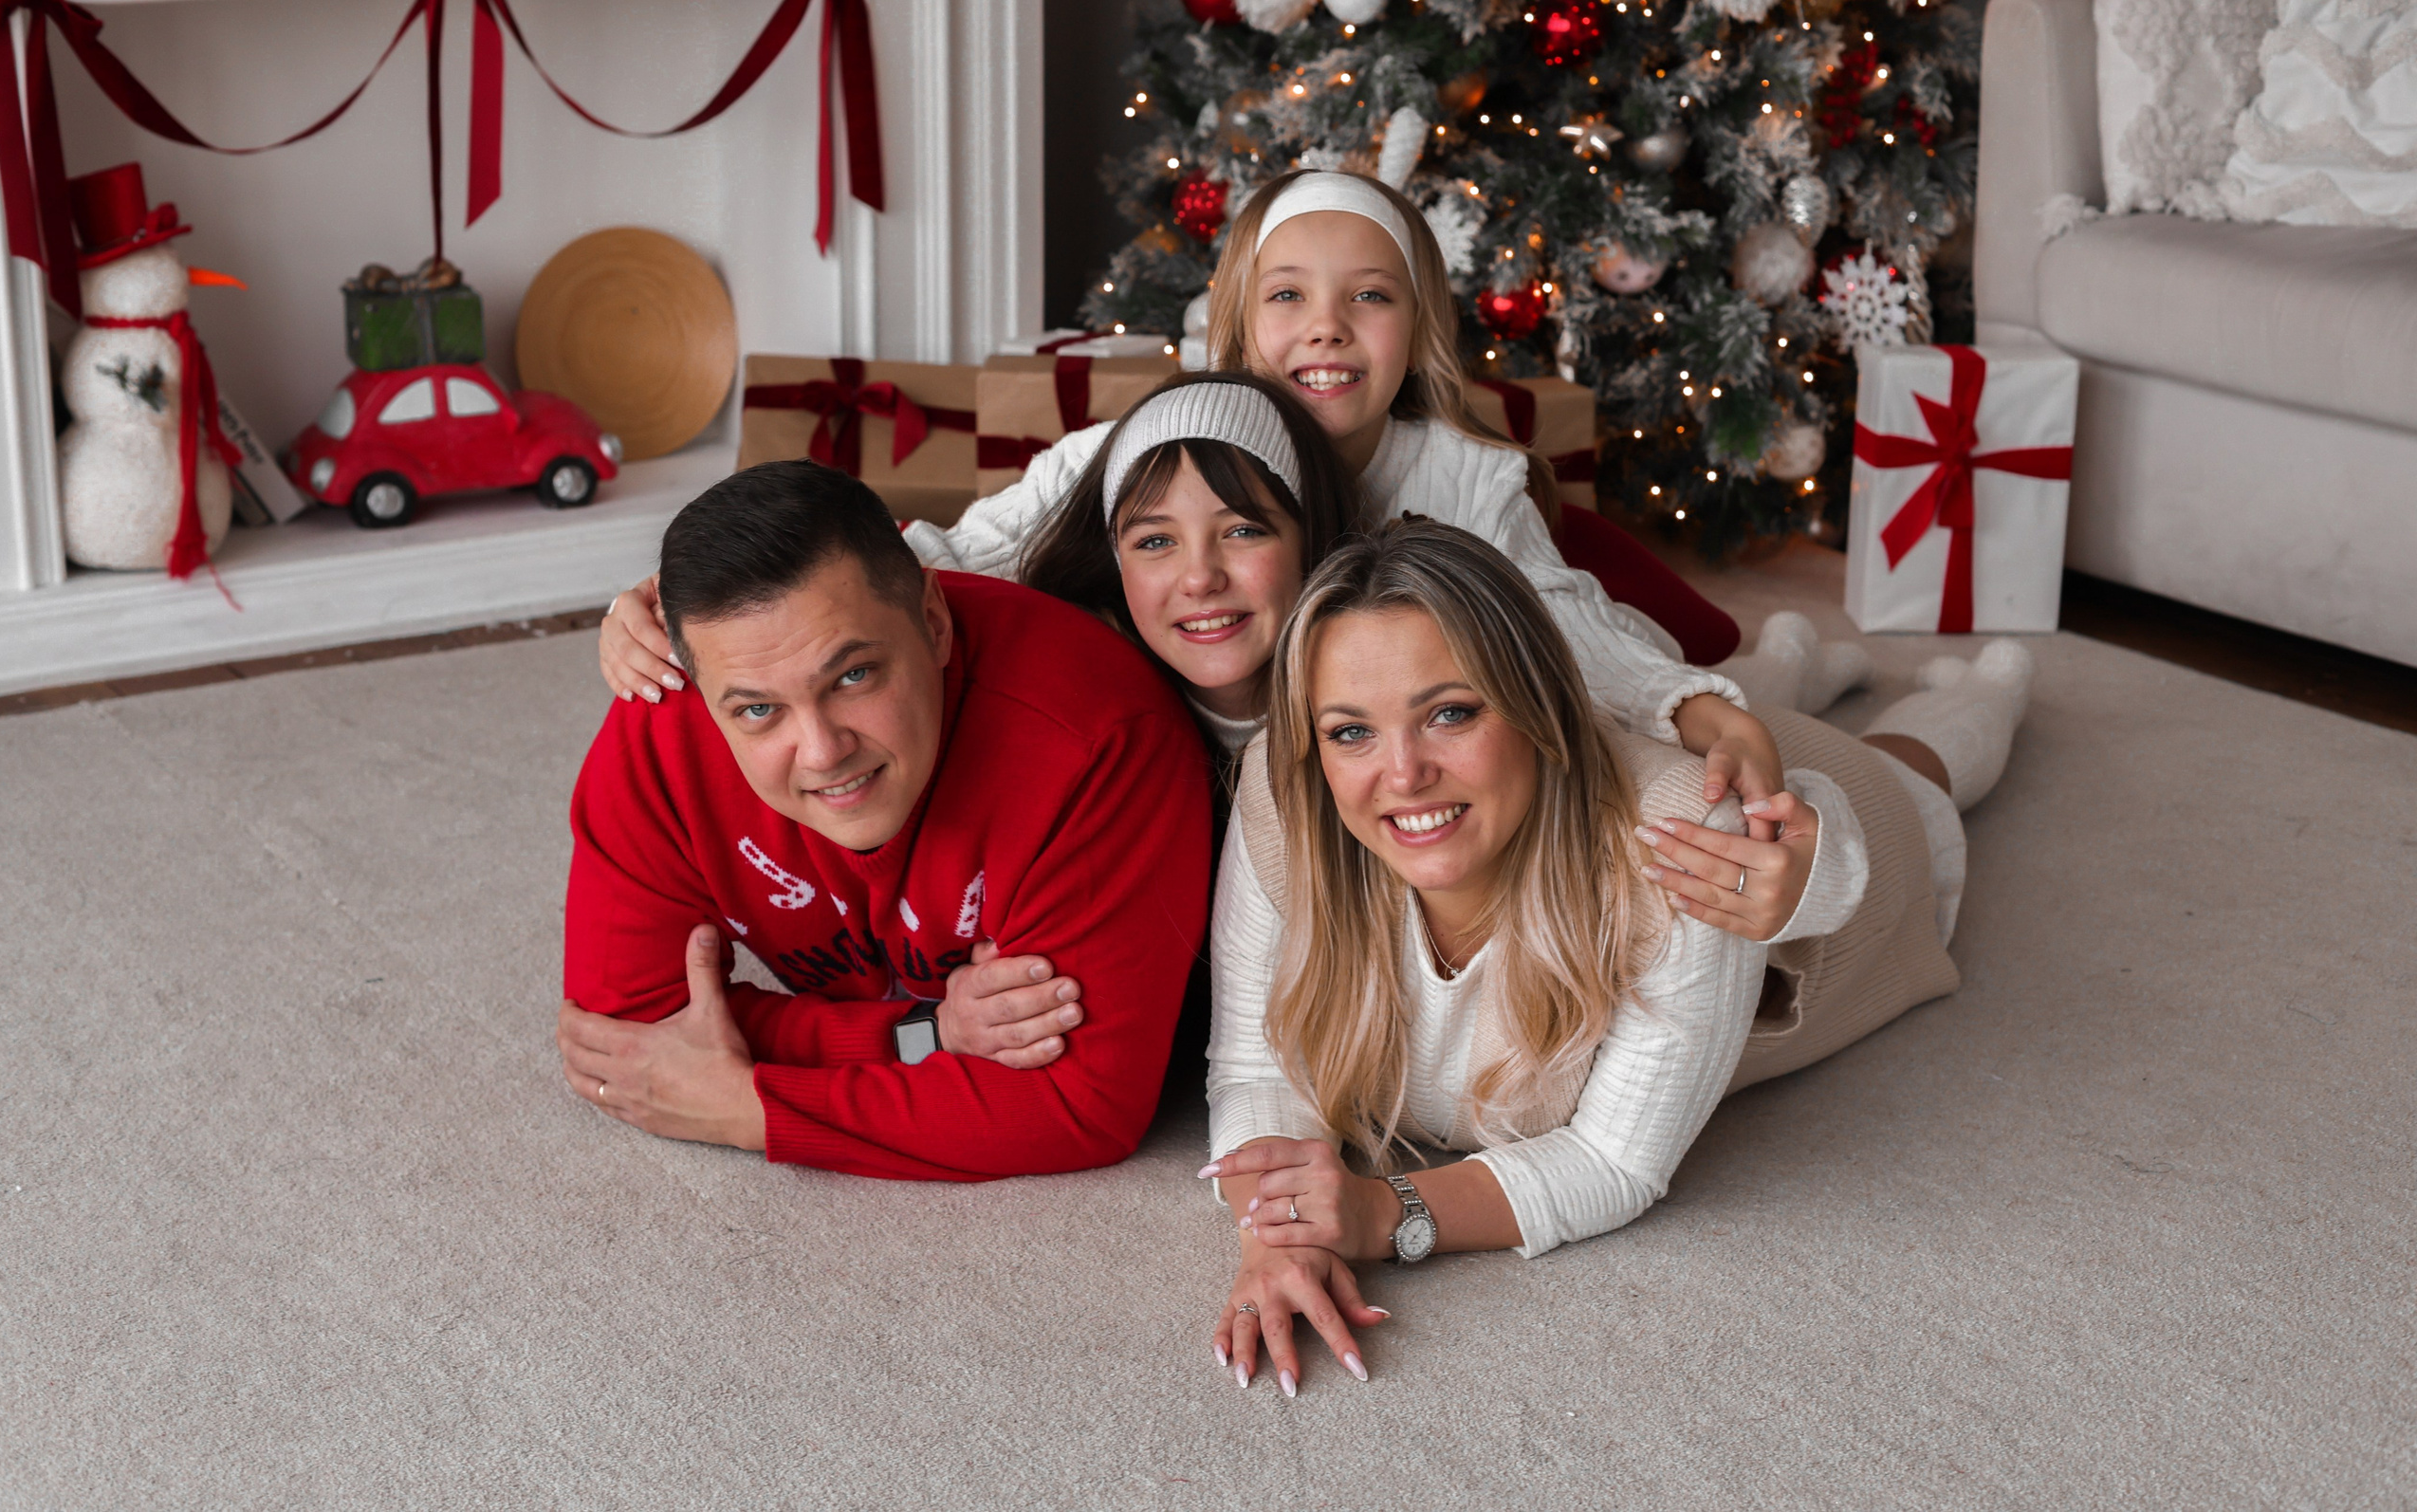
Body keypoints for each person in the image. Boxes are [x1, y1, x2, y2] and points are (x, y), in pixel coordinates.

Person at [602, 170, 1788, 834]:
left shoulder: (1458, 477)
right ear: (1237, 323)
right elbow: (949, 558)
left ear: (1416, 326)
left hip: (1447, 673)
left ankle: (1792, 675)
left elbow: (1555, 616)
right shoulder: (1140, 449)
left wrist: (1689, 702)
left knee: (1698, 708)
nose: (1324, 325)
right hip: (1249, 742)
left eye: (1367, 297)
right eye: (1288, 296)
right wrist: (694, 600)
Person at [1199, 519, 2034, 1395]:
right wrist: (1277, 1229)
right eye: (1351, 731)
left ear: (1534, 709)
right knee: (1734, 704)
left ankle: (1995, 690)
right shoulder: (1285, 793)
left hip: (1828, 824)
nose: (1402, 775)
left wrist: (1380, 1212)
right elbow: (1259, 1058)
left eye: (1451, 712)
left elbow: (1615, 1160)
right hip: (1672, 741)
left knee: (1912, 770)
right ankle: (1795, 660)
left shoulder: (1684, 846)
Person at [555, 460, 1213, 1179]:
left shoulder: (1097, 736)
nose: (823, 751)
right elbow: (623, 1038)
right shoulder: (662, 716)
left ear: (933, 623)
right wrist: (928, 1032)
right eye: (756, 710)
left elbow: (1076, 1103)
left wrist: (749, 1108)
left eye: (854, 676)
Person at [1015, 371, 1355, 757]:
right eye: (1156, 541)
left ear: (1310, 541)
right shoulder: (1074, 714)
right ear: (1117, 565)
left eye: (1242, 531)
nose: (1199, 578)